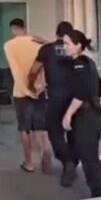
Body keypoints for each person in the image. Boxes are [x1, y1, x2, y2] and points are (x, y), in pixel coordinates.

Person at [62, 29, 101, 197]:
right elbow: (99, 89)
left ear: (78, 45)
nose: (64, 47)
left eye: (67, 44)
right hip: (92, 114)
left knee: (88, 159)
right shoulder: (87, 63)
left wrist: (68, 114)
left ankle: (98, 194)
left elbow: (82, 92)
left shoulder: (80, 64)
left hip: (87, 116)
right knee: (88, 155)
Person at [28, 21, 79, 187]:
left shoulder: (46, 50)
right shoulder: (75, 49)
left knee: (55, 133)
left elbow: (33, 71)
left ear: (56, 33)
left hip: (55, 97)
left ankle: (67, 162)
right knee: (74, 131)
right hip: (75, 97)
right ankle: (72, 162)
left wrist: (31, 85)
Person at [3, 18, 51, 174]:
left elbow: (15, 68)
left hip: (21, 91)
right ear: (24, 27)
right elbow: (53, 50)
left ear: (13, 29)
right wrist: (42, 40)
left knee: (24, 128)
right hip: (39, 90)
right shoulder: (38, 44)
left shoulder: (9, 45)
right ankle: (44, 150)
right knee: (40, 126)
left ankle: (29, 163)